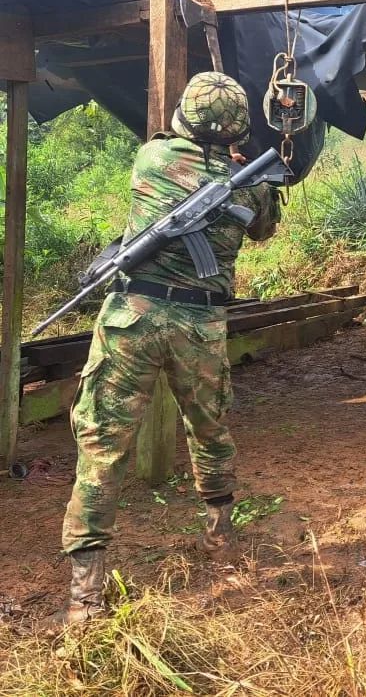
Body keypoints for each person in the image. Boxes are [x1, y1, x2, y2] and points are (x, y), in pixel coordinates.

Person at [48, 72, 281, 629]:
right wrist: (248, 167)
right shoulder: (249, 185)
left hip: (134, 320)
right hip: (200, 324)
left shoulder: (151, 159)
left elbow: (172, 146)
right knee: (211, 430)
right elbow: (264, 230)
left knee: (103, 448)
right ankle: (221, 537)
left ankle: (84, 600)